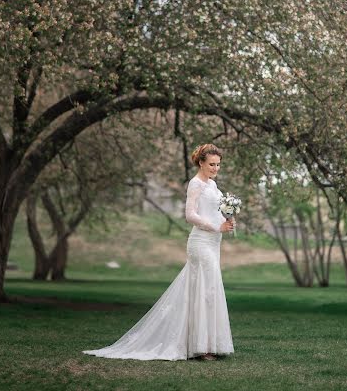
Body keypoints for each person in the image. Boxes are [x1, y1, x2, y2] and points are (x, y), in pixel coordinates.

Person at [82, 143, 235, 361]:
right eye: (211, 164)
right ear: (201, 162)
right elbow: (190, 215)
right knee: (203, 290)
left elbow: (212, 212)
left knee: (210, 290)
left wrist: (227, 220)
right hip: (200, 242)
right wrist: (214, 226)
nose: (215, 168)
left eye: (218, 164)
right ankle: (201, 347)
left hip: (214, 242)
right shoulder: (196, 184)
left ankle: (209, 343)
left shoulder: (213, 184)